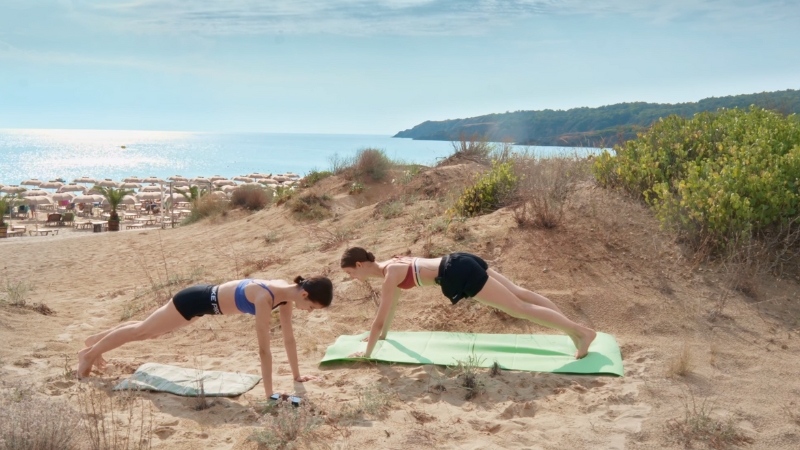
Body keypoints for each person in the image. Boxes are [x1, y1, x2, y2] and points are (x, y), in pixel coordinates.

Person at [77, 276, 333, 397]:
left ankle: (96, 343)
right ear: (305, 295)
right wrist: (269, 393)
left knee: (146, 331)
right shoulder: (266, 298)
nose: (309, 312)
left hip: (203, 305)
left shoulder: (286, 296)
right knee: (143, 331)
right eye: (312, 307)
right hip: (194, 300)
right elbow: (264, 349)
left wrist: (297, 375)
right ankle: (88, 355)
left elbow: (289, 339)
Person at [340, 247, 596, 359]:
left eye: (350, 273)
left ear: (360, 265)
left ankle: (580, 333)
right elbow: (391, 307)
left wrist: (367, 353)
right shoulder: (392, 265)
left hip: (457, 272)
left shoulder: (389, 275)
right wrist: (383, 337)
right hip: (459, 259)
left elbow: (380, 318)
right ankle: (574, 331)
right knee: (521, 293)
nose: (352, 278)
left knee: (518, 308)